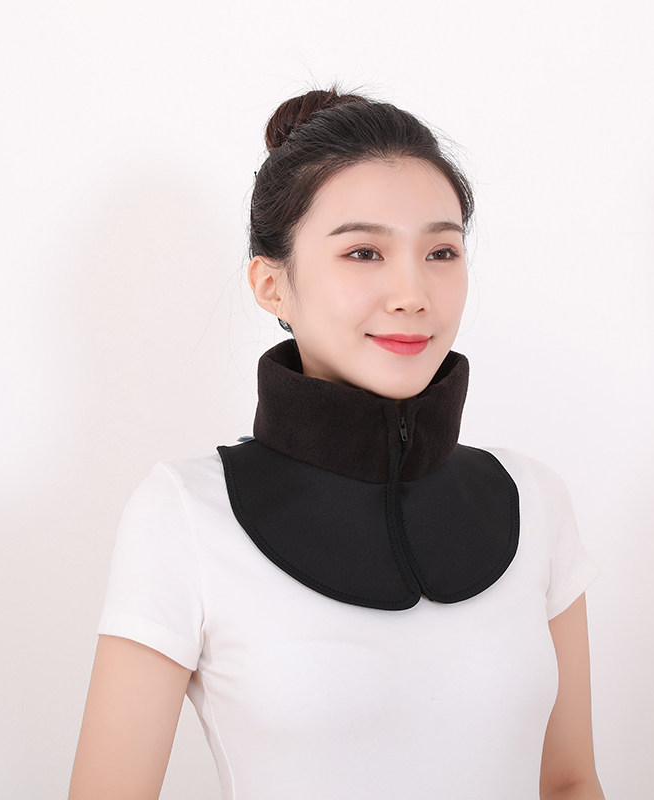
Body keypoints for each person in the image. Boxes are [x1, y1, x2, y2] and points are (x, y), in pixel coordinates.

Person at [69, 88, 605, 800]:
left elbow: (569, 783)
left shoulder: (534, 501)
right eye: (363, 252)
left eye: (441, 251)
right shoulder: (187, 515)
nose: (412, 292)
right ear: (271, 285)